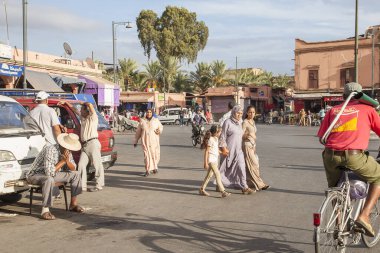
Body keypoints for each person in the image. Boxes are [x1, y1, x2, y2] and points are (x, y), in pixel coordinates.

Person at [317, 82, 380, 237]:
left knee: (334, 189)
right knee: (378, 177)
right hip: (354, 156)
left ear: (343, 96)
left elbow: (321, 136)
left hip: (330, 156)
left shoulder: (333, 110)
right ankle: (364, 216)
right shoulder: (368, 109)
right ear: (362, 96)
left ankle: (340, 225)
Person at [26, 133, 84, 220]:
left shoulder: (68, 151)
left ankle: (73, 204)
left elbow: (73, 168)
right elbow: (49, 173)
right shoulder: (51, 149)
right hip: (36, 175)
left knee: (76, 174)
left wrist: (67, 161)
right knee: (49, 179)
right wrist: (63, 162)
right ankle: (45, 210)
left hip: (53, 173)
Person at [59, 101, 105, 192]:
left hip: (93, 143)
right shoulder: (83, 118)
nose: (80, 111)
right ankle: (82, 186)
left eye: (82, 110)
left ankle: (99, 185)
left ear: (87, 111)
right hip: (85, 145)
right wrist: (67, 103)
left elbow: (90, 105)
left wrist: (81, 102)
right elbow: (75, 110)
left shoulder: (93, 118)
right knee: (81, 165)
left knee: (97, 164)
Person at [219, 105, 254, 194]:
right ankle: (219, 184)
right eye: (238, 113)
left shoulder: (240, 122)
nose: (239, 115)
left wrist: (247, 136)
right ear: (234, 112)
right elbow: (222, 137)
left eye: (241, 113)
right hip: (228, 150)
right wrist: (223, 149)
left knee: (242, 167)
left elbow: (240, 135)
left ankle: (244, 187)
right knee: (224, 170)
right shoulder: (227, 122)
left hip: (238, 151)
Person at [242, 106, 270, 191]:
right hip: (247, 145)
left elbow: (254, 134)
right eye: (250, 112)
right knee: (253, 165)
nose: (252, 114)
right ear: (247, 113)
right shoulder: (245, 122)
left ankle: (251, 183)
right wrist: (247, 135)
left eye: (253, 112)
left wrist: (254, 146)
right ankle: (260, 184)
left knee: (254, 165)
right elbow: (241, 135)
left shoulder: (253, 122)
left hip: (252, 145)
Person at [199, 125, 231, 198]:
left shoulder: (216, 139)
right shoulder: (210, 139)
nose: (220, 133)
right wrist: (206, 163)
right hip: (211, 160)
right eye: (219, 132)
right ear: (216, 132)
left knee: (209, 175)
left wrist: (223, 153)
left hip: (215, 159)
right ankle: (223, 191)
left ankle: (202, 189)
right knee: (217, 174)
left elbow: (215, 149)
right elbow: (207, 151)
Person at [134, 108, 164, 176]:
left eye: (150, 112)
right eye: (147, 112)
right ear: (146, 113)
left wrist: (159, 130)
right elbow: (138, 132)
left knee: (155, 155)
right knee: (147, 156)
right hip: (145, 142)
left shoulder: (156, 120)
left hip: (154, 142)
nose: (149, 113)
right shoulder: (142, 121)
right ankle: (147, 170)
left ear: (152, 113)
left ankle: (154, 167)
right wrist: (135, 141)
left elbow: (161, 127)